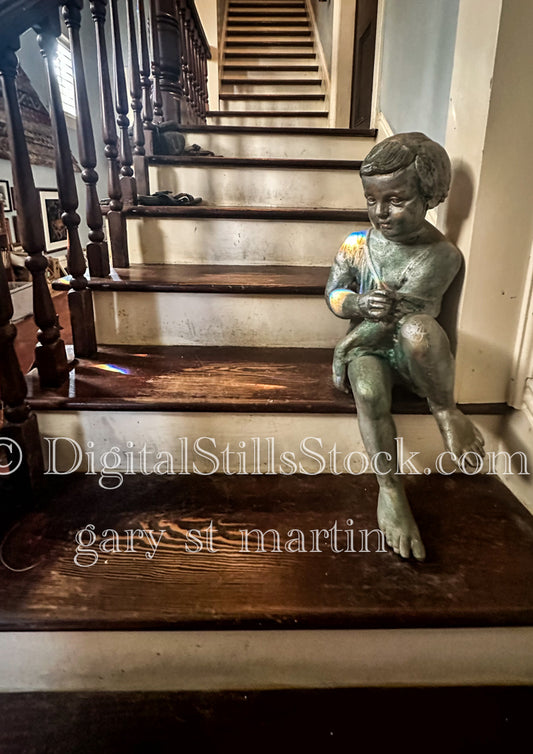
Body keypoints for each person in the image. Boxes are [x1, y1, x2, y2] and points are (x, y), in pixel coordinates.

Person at [325, 132, 484, 561]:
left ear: (429, 197)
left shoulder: (440, 255)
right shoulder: (356, 244)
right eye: (371, 199)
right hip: (368, 349)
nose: (381, 212)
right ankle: (390, 489)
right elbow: (334, 295)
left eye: (396, 200)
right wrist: (357, 302)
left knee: (417, 328)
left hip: (413, 356)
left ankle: (445, 408)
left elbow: (400, 319)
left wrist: (344, 347)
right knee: (371, 394)